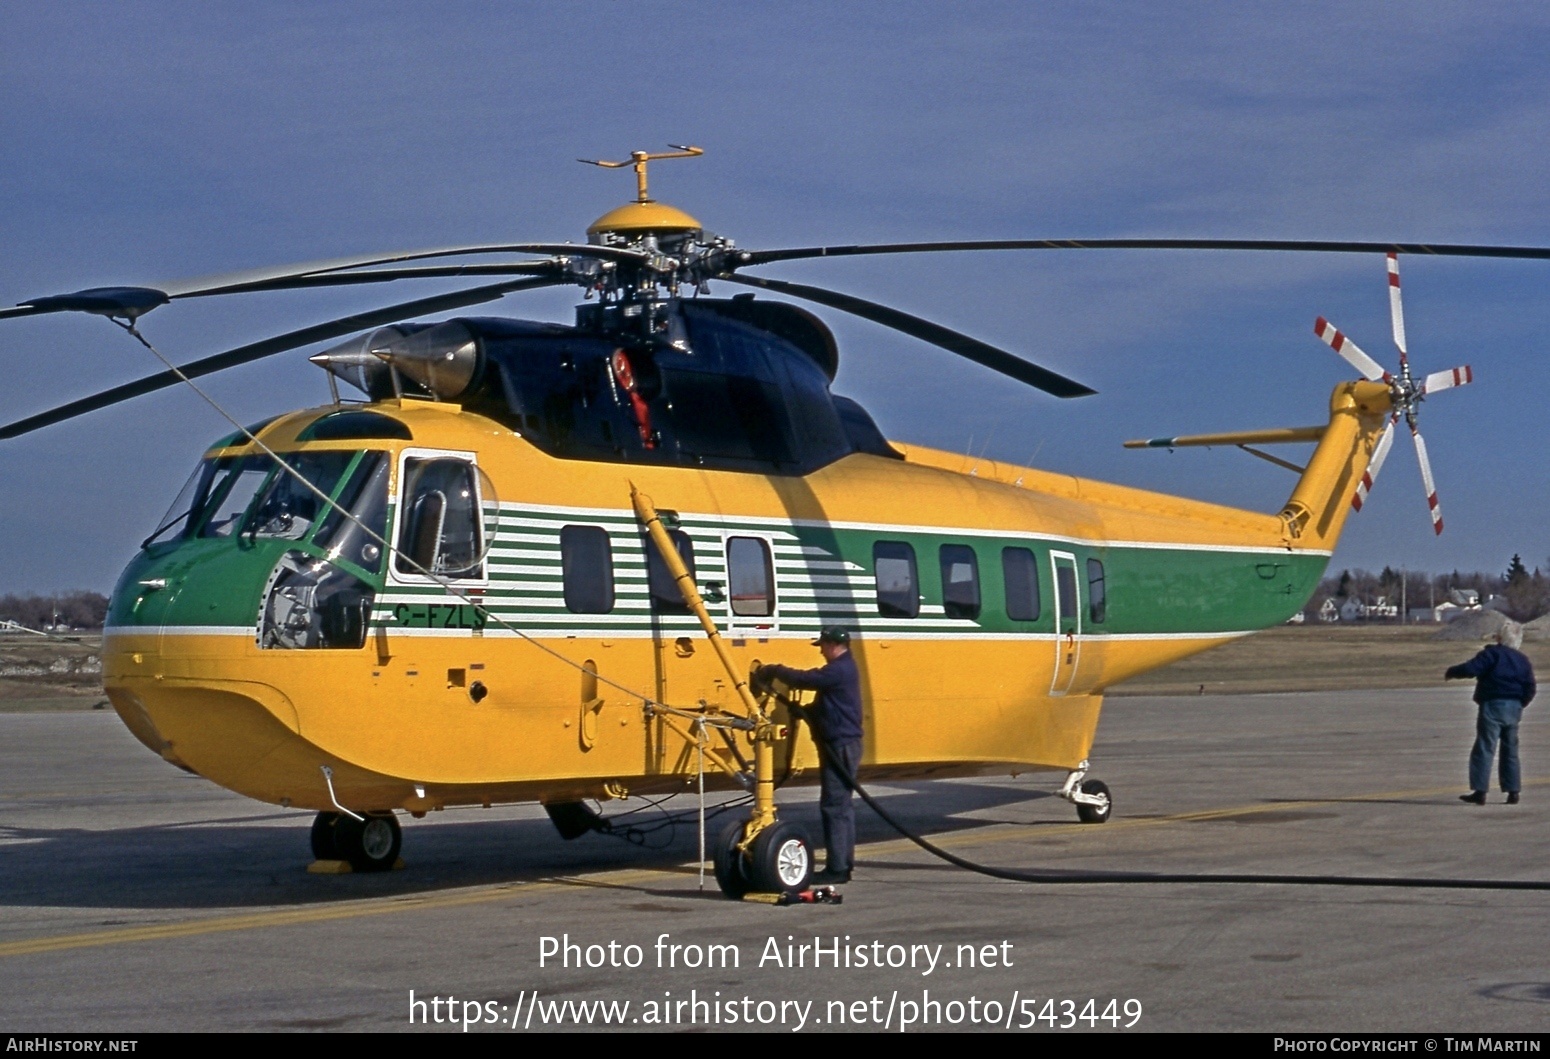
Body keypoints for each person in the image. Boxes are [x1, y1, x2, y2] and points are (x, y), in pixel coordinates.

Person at [755, 627, 862, 884]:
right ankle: (843, 864)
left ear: (834, 645)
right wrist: (806, 711)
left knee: (834, 806)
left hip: (841, 745)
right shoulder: (844, 668)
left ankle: (837, 868)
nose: (822, 651)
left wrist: (775, 670)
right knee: (842, 806)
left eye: (823, 646)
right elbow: (830, 705)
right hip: (841, 743)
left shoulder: (838, 670)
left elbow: (805, 679)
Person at [1445, 621, 1536, 805]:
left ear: (1500, 638)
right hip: (1514, 707)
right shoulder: (1522, 660)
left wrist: (1452, 672)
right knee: (1510, 750)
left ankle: (1480, 791)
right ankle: (1513, 791)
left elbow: (1471, 669)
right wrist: (1521, 703)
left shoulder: (1492, 654)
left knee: (1485, 747)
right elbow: (1530, 687)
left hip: (1493, 705)